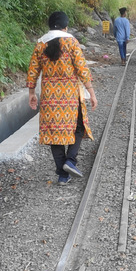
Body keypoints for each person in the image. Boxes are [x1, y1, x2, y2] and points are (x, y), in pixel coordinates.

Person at [27, 11, 98, 185]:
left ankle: (63, 175)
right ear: (66, 27)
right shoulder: (72, 42)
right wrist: (92, 93)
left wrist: (31, 93)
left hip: (49, 96)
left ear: (50, 26)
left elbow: (33, 70)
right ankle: (70, 161)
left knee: (53, 134)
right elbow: (82, 69)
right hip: (70, 95)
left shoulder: (40, 44)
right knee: (79, 126)